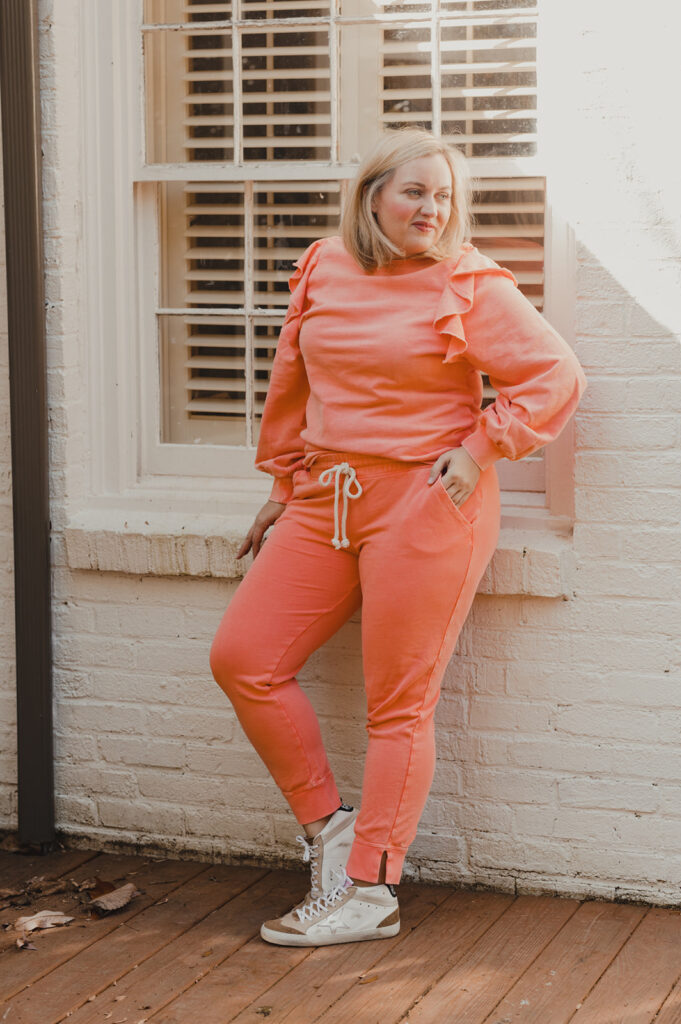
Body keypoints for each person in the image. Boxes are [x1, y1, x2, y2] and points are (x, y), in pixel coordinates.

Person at [209, 127, 587, 947]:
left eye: (445, 195)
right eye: (415, 190)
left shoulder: (467, 282)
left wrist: (481, 444)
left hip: (425, 502)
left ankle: (369, 890)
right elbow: (292, 376)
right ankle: (332, 833)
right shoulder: (324, 264)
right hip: (324, 496)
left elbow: (555, 375)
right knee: (244, 659)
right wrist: (282, 483)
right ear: (372, 193)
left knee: (398, 705)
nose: (431, 208)